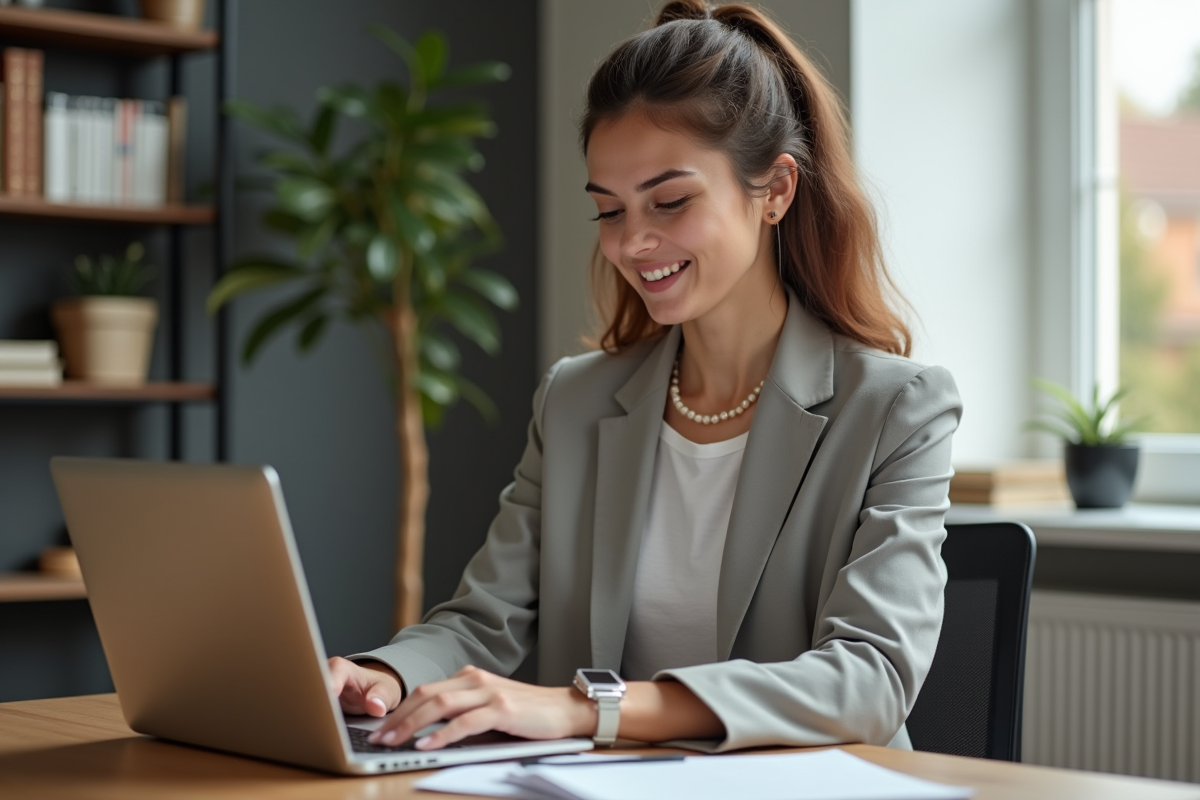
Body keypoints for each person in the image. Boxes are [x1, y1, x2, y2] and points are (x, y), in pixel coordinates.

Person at [328, 0, 961, 754]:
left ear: (777, 191)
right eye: (609, 210)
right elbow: (483, 619)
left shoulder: (896, 409)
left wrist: (586, 708)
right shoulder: (574, 400)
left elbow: (870, 677)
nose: (633, 243)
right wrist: (381, 676)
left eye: (670, 201)